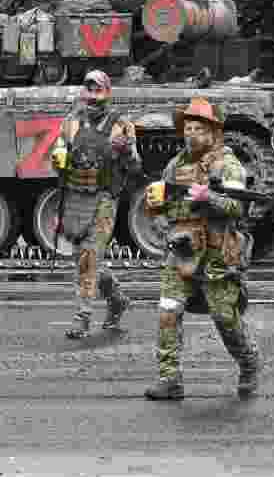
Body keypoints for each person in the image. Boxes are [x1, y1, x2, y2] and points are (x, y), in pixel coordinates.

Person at [142, 97, 260, 401]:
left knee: (224, 318)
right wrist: (157, 211)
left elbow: (238, 208)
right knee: (168, 312)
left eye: (198, 128)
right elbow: (159, 206)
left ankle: (249, 364)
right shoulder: (175, 165)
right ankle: (169, 379)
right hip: (182, 250)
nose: (191, 134)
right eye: (188, 128)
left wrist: (210, 198)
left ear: (213, 132)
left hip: (217, 253)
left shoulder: (227, 165)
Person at [49, 70, 140, 338]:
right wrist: (58, 160)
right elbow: (60, 161)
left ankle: (83, 317)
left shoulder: (122, 125)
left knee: (89, 256)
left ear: (107, 92)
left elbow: (136, 167)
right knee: (84, 258)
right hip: (75, 197)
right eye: (88, 89)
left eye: (98, 89)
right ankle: (118, 299)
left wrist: (125, 151)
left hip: (103, 198)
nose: (92, 95)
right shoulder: (71, 122)